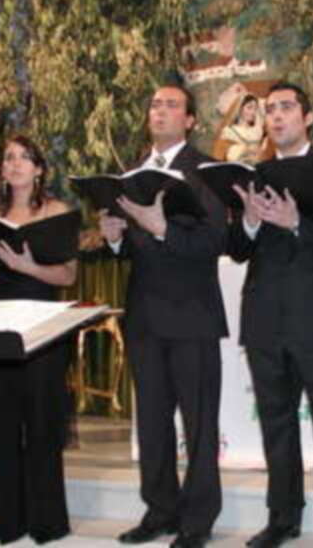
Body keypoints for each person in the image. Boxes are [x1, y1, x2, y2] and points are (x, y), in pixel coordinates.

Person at [228, 81, 313, 548]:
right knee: (276, 423)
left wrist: (296, 224)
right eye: (270, 109)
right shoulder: (254, 173)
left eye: (286, 107)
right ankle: (282, 517)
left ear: (307, 117)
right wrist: (248, 220)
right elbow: (237, 248)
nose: (277, 116)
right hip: (266, 317)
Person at [98, 85, 228, 548]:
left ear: (190, 120)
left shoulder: (205, 172)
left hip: (192, 315)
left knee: (198, 425)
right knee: (152, 424)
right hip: (145, 316)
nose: (161, 110)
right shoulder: (132, 174)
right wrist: (113, 237)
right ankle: (159, 510)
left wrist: (162, 228)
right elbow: (129, 249)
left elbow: (214, 242)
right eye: (154, 103)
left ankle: (197, 521)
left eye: (172, 104)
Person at [0, 134, 78, 545]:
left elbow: (67, 275)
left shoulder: (56, 212)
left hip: (42, 323)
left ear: (38, 169)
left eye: (24, 158)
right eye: (8, 158)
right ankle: (8, 523)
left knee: (41, 422)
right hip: (0, 322)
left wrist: (27, 266)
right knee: (1, 422)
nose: (14, 164)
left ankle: (47, 522)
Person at [216, 93, 266, 165]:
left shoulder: (257, 130)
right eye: (249, 107)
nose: (253, 112)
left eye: (255, 109)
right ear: (240, 108)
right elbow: (227, 154)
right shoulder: (230, 131)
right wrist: (246, 150)